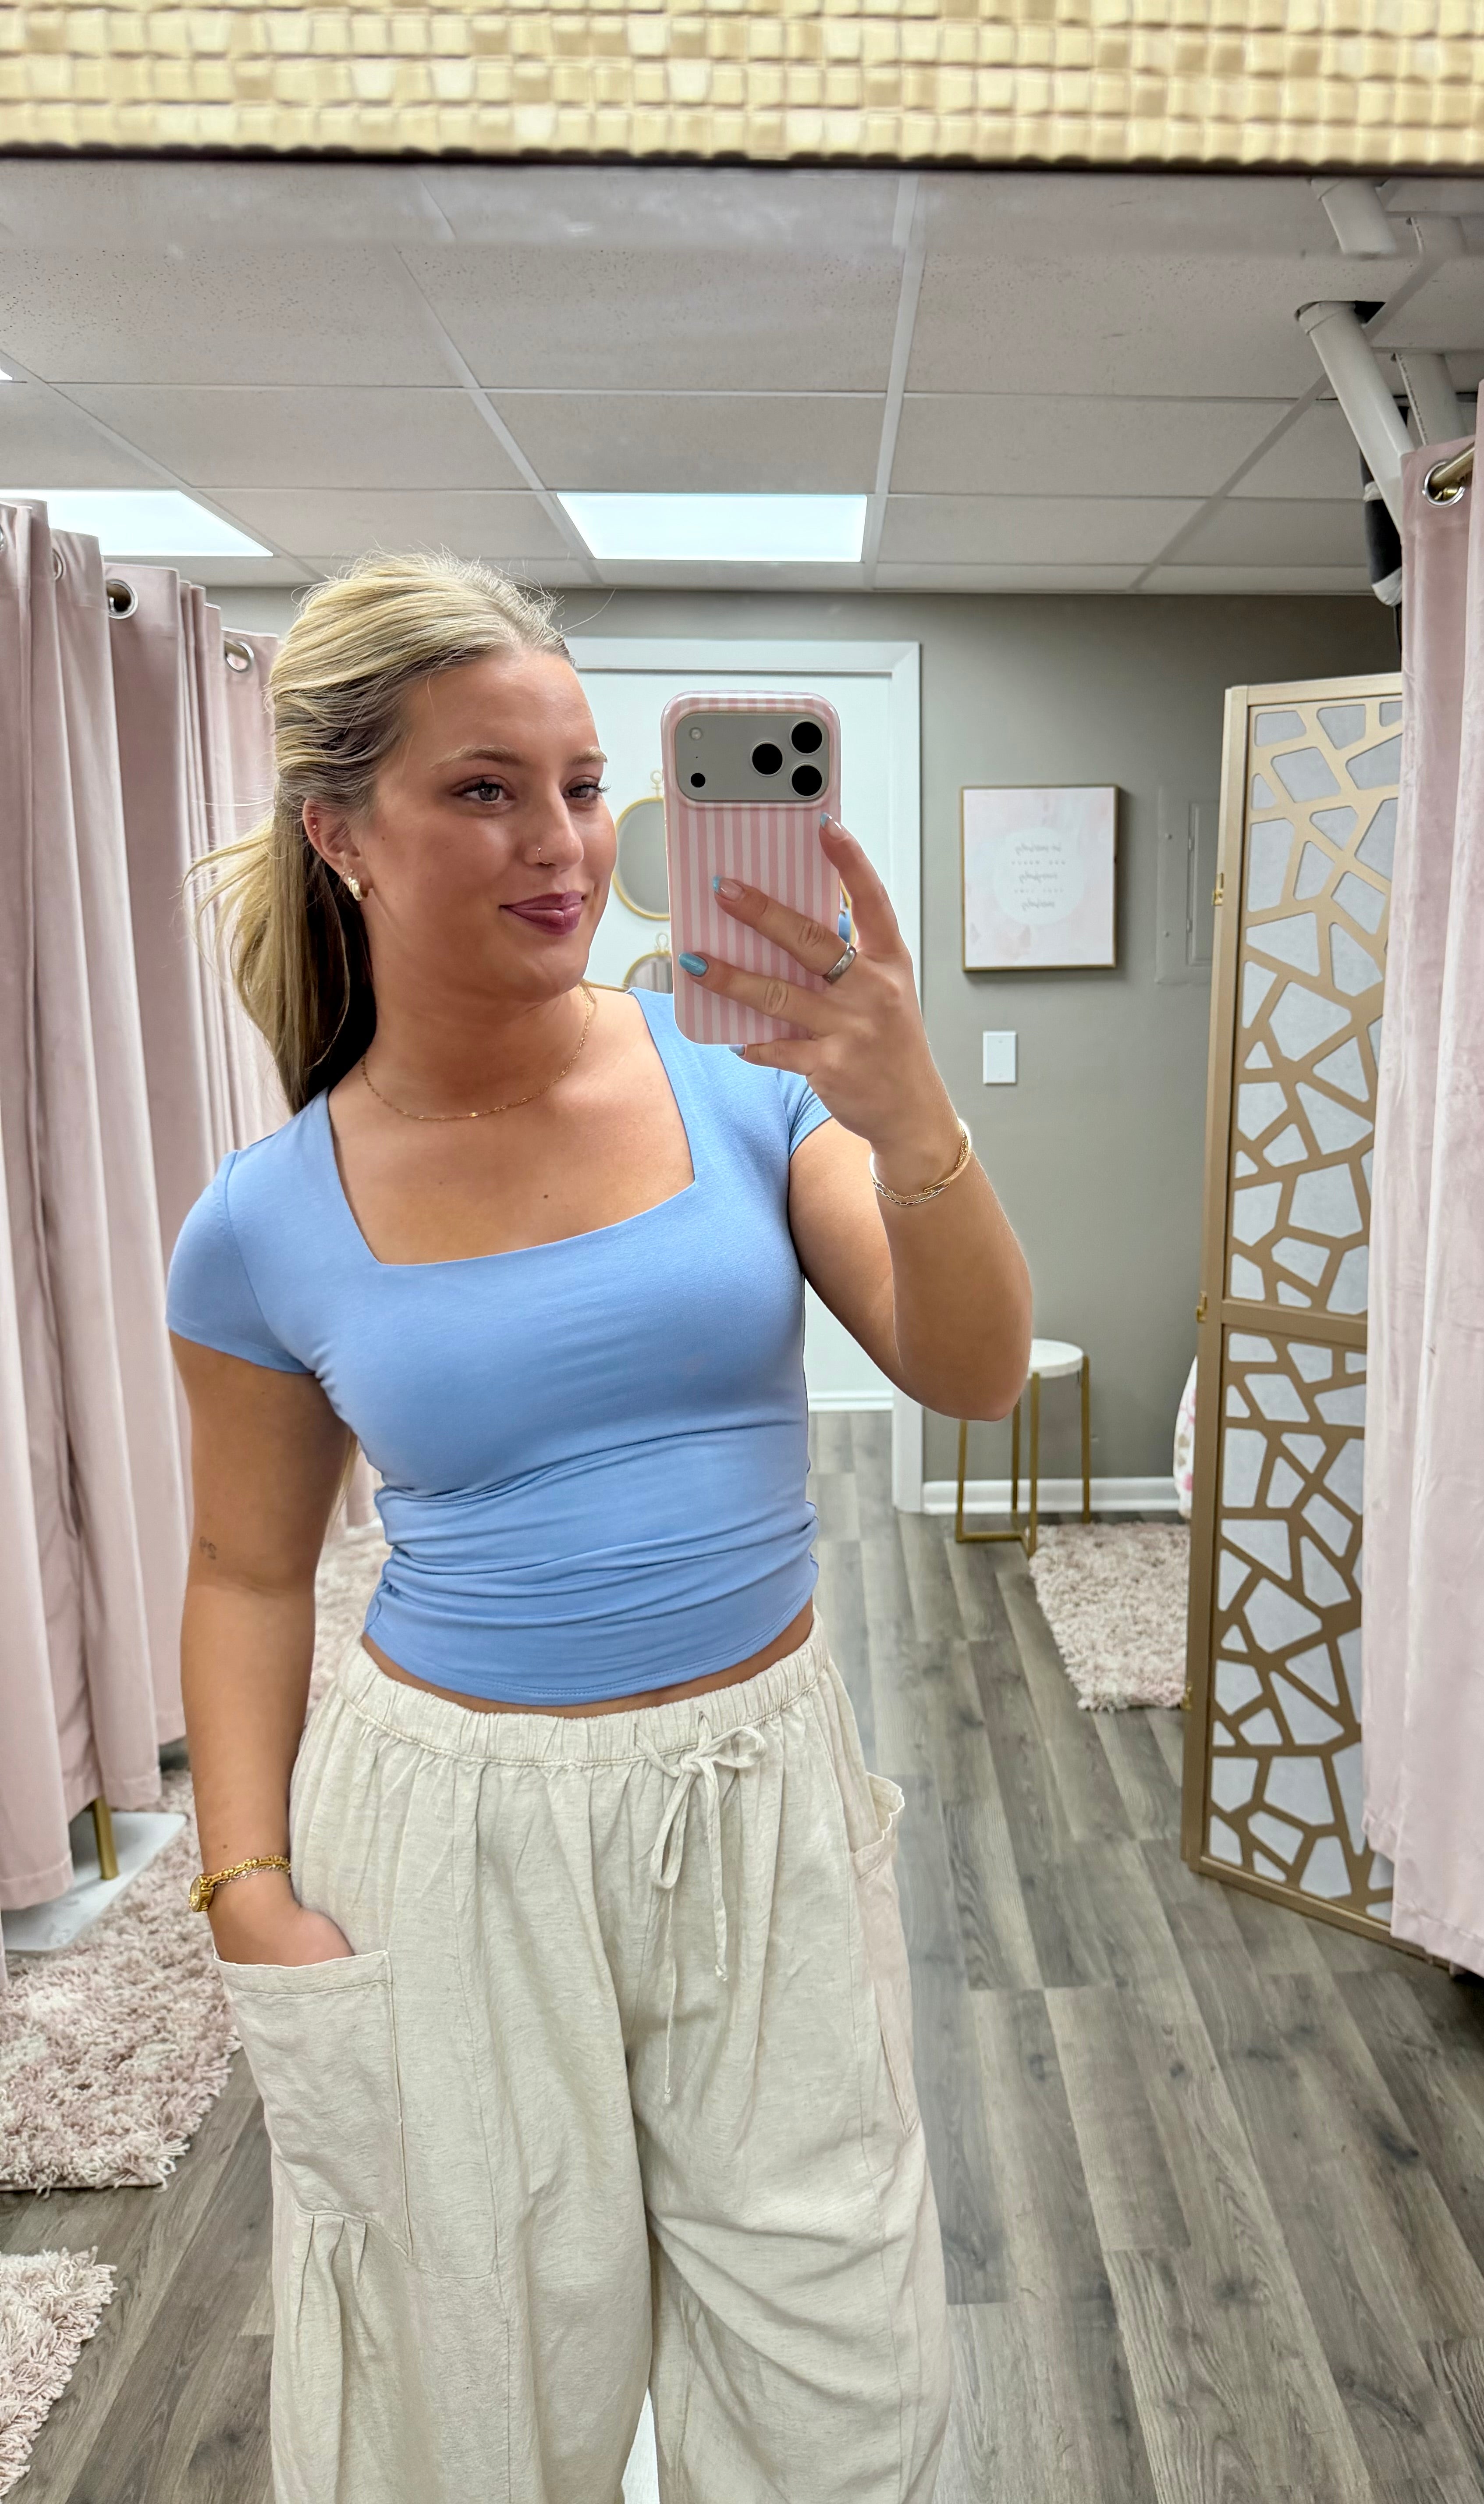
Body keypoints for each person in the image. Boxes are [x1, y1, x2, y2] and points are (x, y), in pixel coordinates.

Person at [164, 553, 1032, 2504]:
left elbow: (971, 1373)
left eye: (577, 785)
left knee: (836, 2361)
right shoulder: (262, 1221)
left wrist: (910, 1120)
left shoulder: (739, 1090)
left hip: (761, 1792)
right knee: (470, 2387)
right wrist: (243, 1888)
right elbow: (245, 1570)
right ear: (340, 834)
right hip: (447, 1835)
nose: (561, 844)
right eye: (484, 790)